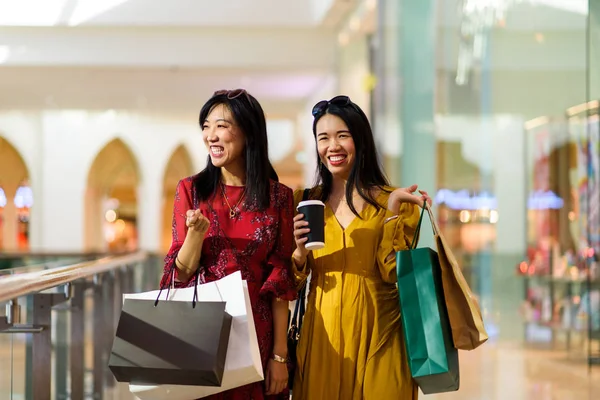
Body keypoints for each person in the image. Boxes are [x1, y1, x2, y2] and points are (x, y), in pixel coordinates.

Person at [290, 95, 432, 400]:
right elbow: (290, 285)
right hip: (322, 335)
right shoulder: (304, 200)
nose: (333, 146)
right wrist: (300, 253)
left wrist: (393, 212)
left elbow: (395, 273)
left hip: (380, 333)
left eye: (343, 135)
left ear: (361, 141)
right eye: (323, 138)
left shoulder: (393, 201)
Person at [161, 89, 296, 400]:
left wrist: (279, 357)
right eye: (205, 127)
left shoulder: (279, 198)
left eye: (221, 126)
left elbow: (280, 283)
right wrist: (195, 234)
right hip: (203, 335)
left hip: (257, 341)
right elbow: (176, 276)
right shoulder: (191, 190)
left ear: (248, 132)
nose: (211, 136)